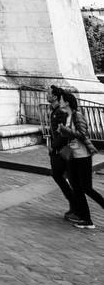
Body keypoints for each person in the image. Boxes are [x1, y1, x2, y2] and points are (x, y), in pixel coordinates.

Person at [55, 90, 104, 230]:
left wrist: (65, 130)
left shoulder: (78, 116)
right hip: (73, 157)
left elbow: (83, 134)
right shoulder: (67, 117)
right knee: (76, 188)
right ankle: (86, 219)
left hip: (83, 157)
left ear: (67, 102)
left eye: (61, 100)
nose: (60, 102)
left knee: (87, 188)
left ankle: (90, 217)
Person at [45, 86, 76, 219]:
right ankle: (74, 205)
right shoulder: (55, 111)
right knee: (59, 175)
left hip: (61, 150)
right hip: (58, 150)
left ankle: (75, 206)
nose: (46, 95)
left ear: (55, 96)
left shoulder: (61, 112)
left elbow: (63, 133)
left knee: (59, 175)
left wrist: (53, 146)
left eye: (48, 93)